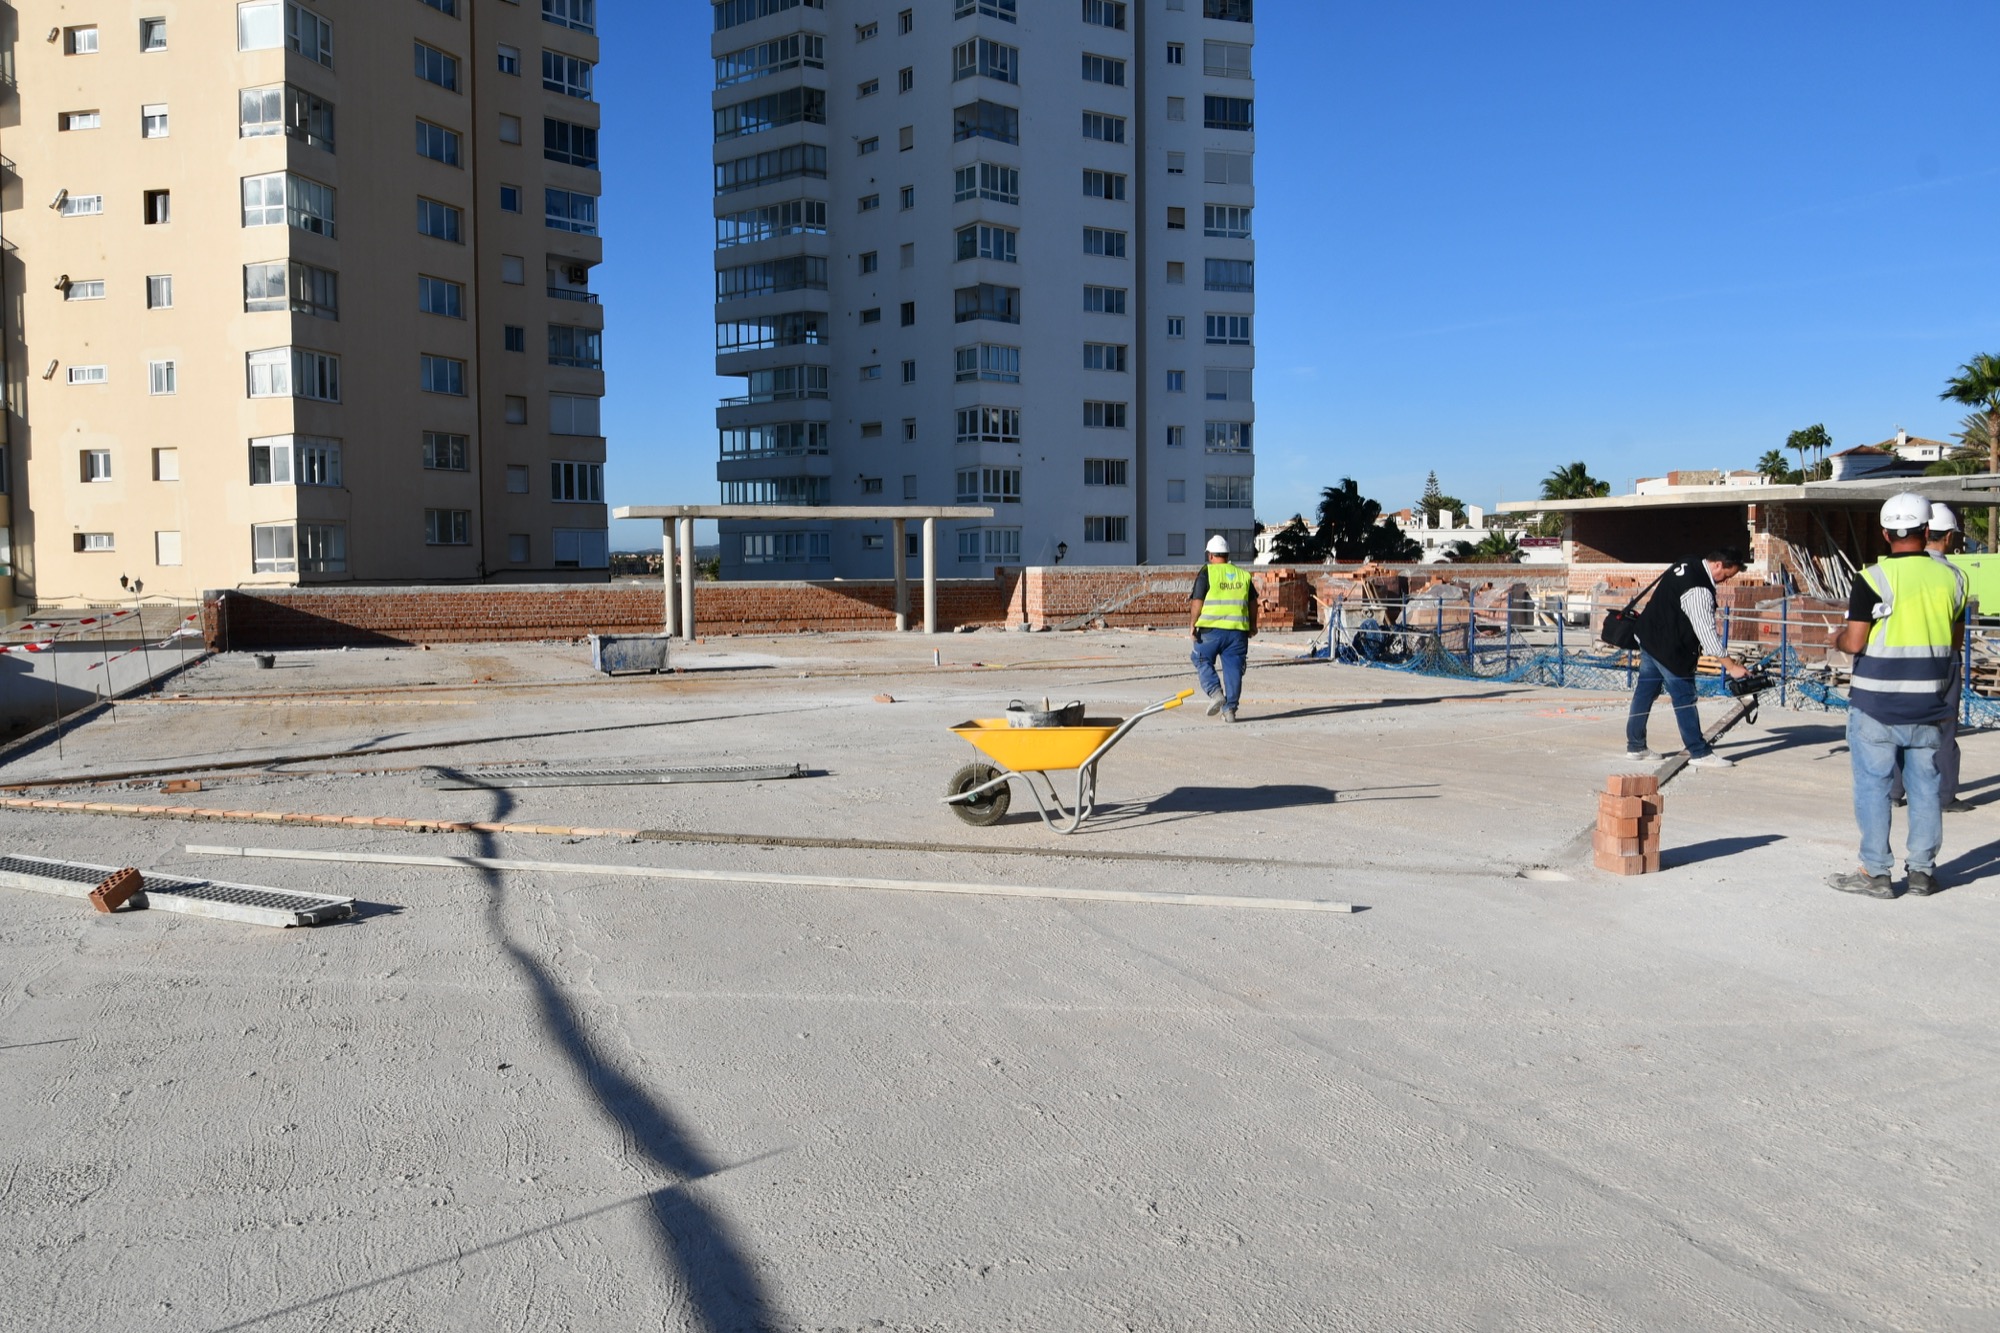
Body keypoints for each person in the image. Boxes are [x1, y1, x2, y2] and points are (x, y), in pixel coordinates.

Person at [1828, 492, 1968, 899]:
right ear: (1927, 531)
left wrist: (1834, 636)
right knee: (1925, 785)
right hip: (1929, 703)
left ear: (1885, 533)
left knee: (1873, 786)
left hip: (1877, 703)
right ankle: (1922, 872)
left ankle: (1876, 874)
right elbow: (1954, 641)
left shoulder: (1872, 578)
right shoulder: (1955, 578)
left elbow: (1855, 643)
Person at [1624, 547, 1750, 767]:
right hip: (1670, 650)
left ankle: (1636, 746)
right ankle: (1699, 753)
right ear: (1718, 565)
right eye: (1727, 576)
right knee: (1684, 699)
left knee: (1645, 692)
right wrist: (1731, 666)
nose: (1724, 581)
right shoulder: (1699, 589)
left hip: (1649, 639)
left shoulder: (1688, 561)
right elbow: (1706, 633)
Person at [1889, 502, 1972, 813]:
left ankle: (1895, 790)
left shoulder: (1893, 570)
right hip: (1941, 658)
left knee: (1900, 725)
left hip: (1900, 659)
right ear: (1948, 537)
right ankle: (1944, 795)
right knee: (1944, 726)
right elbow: (1957, 628)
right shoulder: (1954, 575)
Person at [1189, 534, 1256, 722]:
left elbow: (1197, 601)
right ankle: (1230, 711)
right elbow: (1253, 603)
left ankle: (1215, 693)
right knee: (1233, 669)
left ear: (1211, 556)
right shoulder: (1243, 575)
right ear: (1227, 555)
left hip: (1210, 631)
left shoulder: (1207, 572)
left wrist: (1192, 624)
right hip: (1237, 632)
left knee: (1200, 658)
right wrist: (1253, 625)